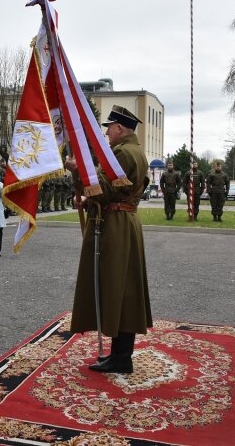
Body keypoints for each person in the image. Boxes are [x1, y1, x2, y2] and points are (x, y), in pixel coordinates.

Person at [64, 105, 151, 374]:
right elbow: (112, 190)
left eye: (109, 128)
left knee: (119, 290)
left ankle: (122, 358)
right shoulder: (130, 151)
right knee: (122, 291)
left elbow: (104, 191)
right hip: (120, 223)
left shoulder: (123, 153)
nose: (107, 133)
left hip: (116, 226)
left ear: (120, 128)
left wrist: (77, 171)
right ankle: (119, 355)